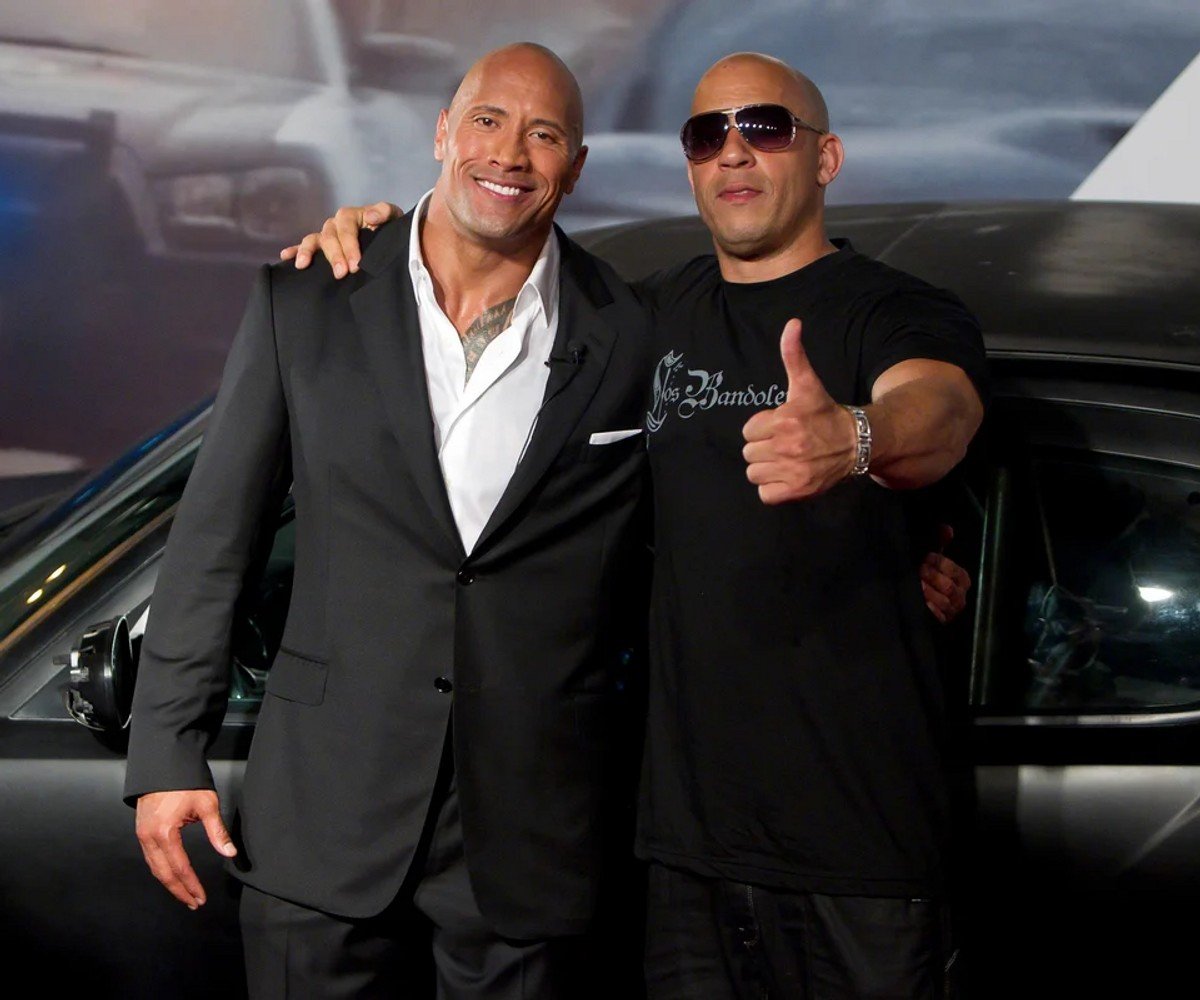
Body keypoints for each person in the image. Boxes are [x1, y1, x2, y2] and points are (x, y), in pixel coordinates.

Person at [286, 50, 986, 998]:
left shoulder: (891, 310)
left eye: (766, 128)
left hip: (860, 849)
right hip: (675, 849)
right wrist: (375, 233)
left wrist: (855, 437)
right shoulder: (641, 315)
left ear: (826, 159)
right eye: (708, 135)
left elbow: (940, 410)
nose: (734, 152)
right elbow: (486, 279)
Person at [125, 43, 656, 999]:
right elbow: (215, 541)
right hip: (324, 816)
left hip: (531, 838)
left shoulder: (633, 334)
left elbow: (691, 531)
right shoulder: (308, 298)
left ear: (574, 170)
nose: (510, 153)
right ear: (443, 132)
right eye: (488, 120)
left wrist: (912, 546)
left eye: (545, 135)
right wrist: (168, 750)